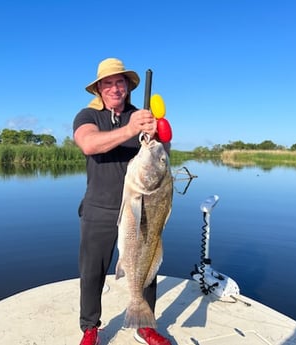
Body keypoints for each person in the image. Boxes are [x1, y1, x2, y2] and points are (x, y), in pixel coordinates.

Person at [73, 58, 172, 345]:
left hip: (143, 206)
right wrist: (130, 129)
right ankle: (90, 327)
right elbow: (89, 144)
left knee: (146, 263)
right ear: (99, 90)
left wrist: (159, 137)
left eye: (120, 82)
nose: (115, 88)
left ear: (128, 87)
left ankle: (146, 323)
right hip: (99, 208)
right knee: (92, 271)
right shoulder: (87, 117)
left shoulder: (141, 115)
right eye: (108, 83)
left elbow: (160, 156)